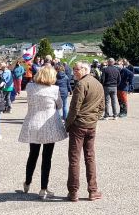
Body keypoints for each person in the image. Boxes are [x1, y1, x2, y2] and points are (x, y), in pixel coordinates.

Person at [18, 63, 68, 200]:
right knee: (47, 158)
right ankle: (43, 188)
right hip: (49, 124)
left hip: (33, 122)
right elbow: (60, 105)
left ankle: (27, 182)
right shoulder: (54, 89)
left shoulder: (30, 87)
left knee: (32, 155)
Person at [65, 62, 105, 202]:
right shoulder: (98, 84)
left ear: (85, 70)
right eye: (74, 69)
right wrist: (94, 119)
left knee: (74, 159)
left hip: (79, 125)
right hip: (91, 125)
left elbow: (74, 107)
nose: (74, 71)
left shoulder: (81, 85)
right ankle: (93, 190)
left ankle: (73, 191)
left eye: (77, 69)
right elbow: (102, 107)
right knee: (90, 157)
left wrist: (67, 124)